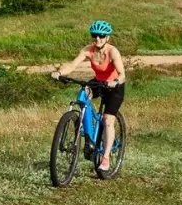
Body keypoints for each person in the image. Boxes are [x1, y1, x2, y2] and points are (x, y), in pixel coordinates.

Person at [51, 20, 126, 170]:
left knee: (108, 120)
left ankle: (105, 158)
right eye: (94, 35)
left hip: (114, 87)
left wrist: (116, 81)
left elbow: (122, 74)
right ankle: (86, 132)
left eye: (101, 36)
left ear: (107, 37)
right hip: (98, 82)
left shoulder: (112, 52)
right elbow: (73, 65)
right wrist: (59, 73)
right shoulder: (88, 50)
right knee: (83, 93)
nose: (97, 39)